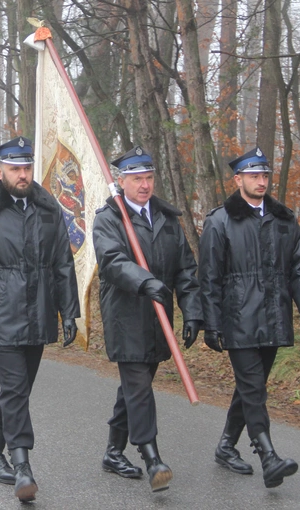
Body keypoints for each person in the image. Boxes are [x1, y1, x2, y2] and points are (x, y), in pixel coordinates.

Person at [0, 136, 80, 503]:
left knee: (18, 389)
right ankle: (21, 463)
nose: (22, 175)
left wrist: (69, 311)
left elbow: (62, 262)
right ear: (0, 171)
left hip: (39, 312)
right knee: (14, 386)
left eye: (26, 168)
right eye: (15, 169)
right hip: (0, 311)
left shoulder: (48, 208)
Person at [199, 147, 300, 489]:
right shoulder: (220, 220)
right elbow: (208, 277)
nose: (261, 181)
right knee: (253, 389)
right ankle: (268, 456)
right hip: (237, 317)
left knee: (251, 387)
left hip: (274, 315)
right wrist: (212, 322)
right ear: (238, 180)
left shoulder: (284, 219)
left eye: (265, 175)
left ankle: (226, 445)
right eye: (254, 176)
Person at [92, 146, 202, 493]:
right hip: (126, 315)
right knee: (138, 387)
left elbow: (185, 268)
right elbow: (112, 260)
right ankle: (152, 457)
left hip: (158, 318)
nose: (145, 185)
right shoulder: (109, 217)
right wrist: (146, 281)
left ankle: (113, 451)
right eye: (137, 179)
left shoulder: (167, 219)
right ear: (121, 181)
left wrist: (192, 310)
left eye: (149, 178)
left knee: (133, 388)